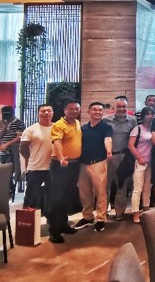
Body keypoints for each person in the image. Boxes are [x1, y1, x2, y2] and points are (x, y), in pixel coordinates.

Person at [47, 99, 82, 243]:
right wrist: (61, 158)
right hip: (60, 166)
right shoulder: (58, 125)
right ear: (64, 110)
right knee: (57, 198)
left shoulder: (77, 123)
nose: (74, 111)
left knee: (67, 196)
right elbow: (57, 142)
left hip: (74, 165)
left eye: (77, 109)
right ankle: (54, 231)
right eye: (71, 109)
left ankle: (63, 224)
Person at [75, 102, 112, 232]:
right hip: (82, 164)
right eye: (95, 110)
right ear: (89, 112)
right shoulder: (83, 128)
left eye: (100, 110)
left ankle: (101, 218)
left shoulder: (106, 127)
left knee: (100, 192)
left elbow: (108, 139)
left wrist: (109, 151)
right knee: (84, 192)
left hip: (98, 162)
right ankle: (87, 217)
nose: (98, 112)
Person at [103, 97, 137, 221]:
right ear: (114, 108)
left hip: (124, 157)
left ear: (127, 108)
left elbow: (135, 138)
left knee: (121, 186)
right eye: (119, 106)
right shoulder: (105, 120)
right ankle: (102, 212)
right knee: (104, 186)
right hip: (108, 156)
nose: (121, 109)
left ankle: (119, 212)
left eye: (124, 107)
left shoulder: (132, 120)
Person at [20, 104, 54, 209]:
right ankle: (26, 217)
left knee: (52, 196)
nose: (46, 113)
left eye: (49, 111)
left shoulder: (57, 128)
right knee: (31, 196)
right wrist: (29, 159)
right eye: (43, 111)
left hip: (53, 168)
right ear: (38, 113)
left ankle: (51, 217)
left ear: (53, 113)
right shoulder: (31, 129)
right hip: (35, 167)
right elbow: (23, 148)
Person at [128, 106, 155, 223]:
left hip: (151, 162)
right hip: (139, 162)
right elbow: (130, 145)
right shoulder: (137, 129)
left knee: (147, 187)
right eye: (147, 114)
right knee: (137, 188)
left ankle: (146, 209)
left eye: (152, 114)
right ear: (143, 116)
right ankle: (135, 213)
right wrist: (139, 158)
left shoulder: (153, 129)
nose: (150, 116)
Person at [0, 105, 25, 197]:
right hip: (3, 151)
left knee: (10, 172)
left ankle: (10, 190)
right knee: (3, 172)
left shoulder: (19, 122)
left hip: (13, 151)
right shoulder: (2, 122)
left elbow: (20, 136)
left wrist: (7, 144)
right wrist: (5, 126)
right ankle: (7, 190)